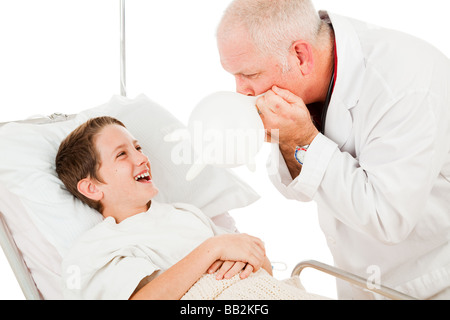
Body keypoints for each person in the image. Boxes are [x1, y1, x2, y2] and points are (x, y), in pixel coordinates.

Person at [216, 0, 450, 299]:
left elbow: (388, 218)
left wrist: (304, 138)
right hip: (359, 279)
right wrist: (292, 139)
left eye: (249, 75)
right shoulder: (310, 70)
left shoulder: (406, 85)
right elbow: (298, 188)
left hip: (431, 280)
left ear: (301, 56)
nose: (240, 90)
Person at [55, 116, 321, 300]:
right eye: (122, 154)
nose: (141, 158)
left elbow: (261, 269)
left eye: (138, 147)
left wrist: (252, 252)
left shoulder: (185, 213)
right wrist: (212, 249)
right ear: (91, 187)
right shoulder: (97, 247)